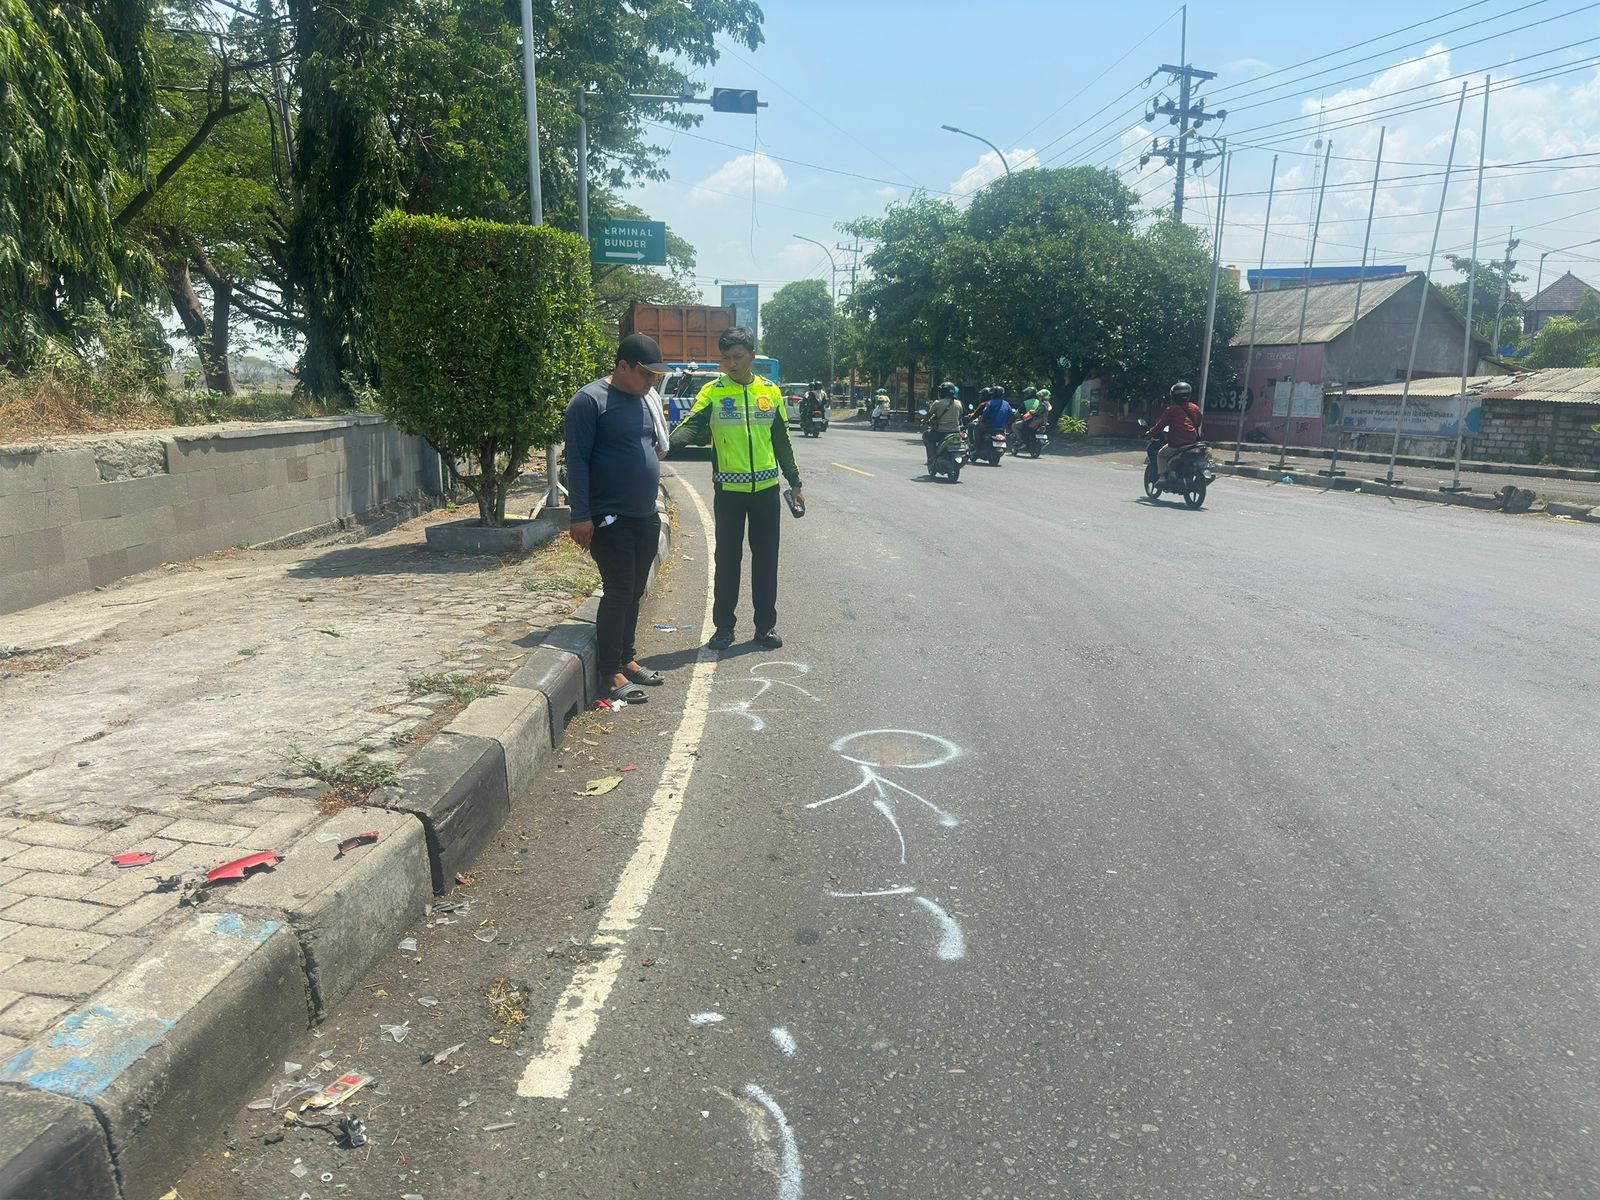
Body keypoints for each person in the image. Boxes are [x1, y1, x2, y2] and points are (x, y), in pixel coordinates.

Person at [670, 326, 805, 651]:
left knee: (766, 560)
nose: (732, 363)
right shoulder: (713, 392)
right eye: (727, 358)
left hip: (766, 493)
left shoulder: (770, 392)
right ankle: (723, 628)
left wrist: (795, 482)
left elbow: (781, 441)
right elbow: (690, 429)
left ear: (752, 356)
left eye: (739, 357)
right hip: (728, 493)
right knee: (727, 559)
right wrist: (662, 446)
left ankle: (765, 627)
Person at [563, 333, 673, 704]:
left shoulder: (646, 400)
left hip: (645, 514)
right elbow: (576, 461)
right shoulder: (589, 401)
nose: (651, 383)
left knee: (635, 590)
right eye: (646, 375)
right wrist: (580, 515)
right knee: (619, 591)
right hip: (609, 518)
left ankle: (626, 657)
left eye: (656, 377)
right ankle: (609, 672)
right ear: (623, 366)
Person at [1150, 381, 1203, 481]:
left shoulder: (1171, 409)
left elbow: (1161, 425)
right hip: (1193, 443)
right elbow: (1199, 421)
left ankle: (1162, 478)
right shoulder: (1194, 407)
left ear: (1174, 396)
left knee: (1161, 454)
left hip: (1177, 444)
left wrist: (1150, 432)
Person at [923, 381, 963, 470]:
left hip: (941, 432)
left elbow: (928, 415)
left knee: (926, 435)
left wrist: (924, 421)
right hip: (956, 432)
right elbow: (960, 417)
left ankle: (932, 457)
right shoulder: (958, 403)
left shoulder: (937, 403)